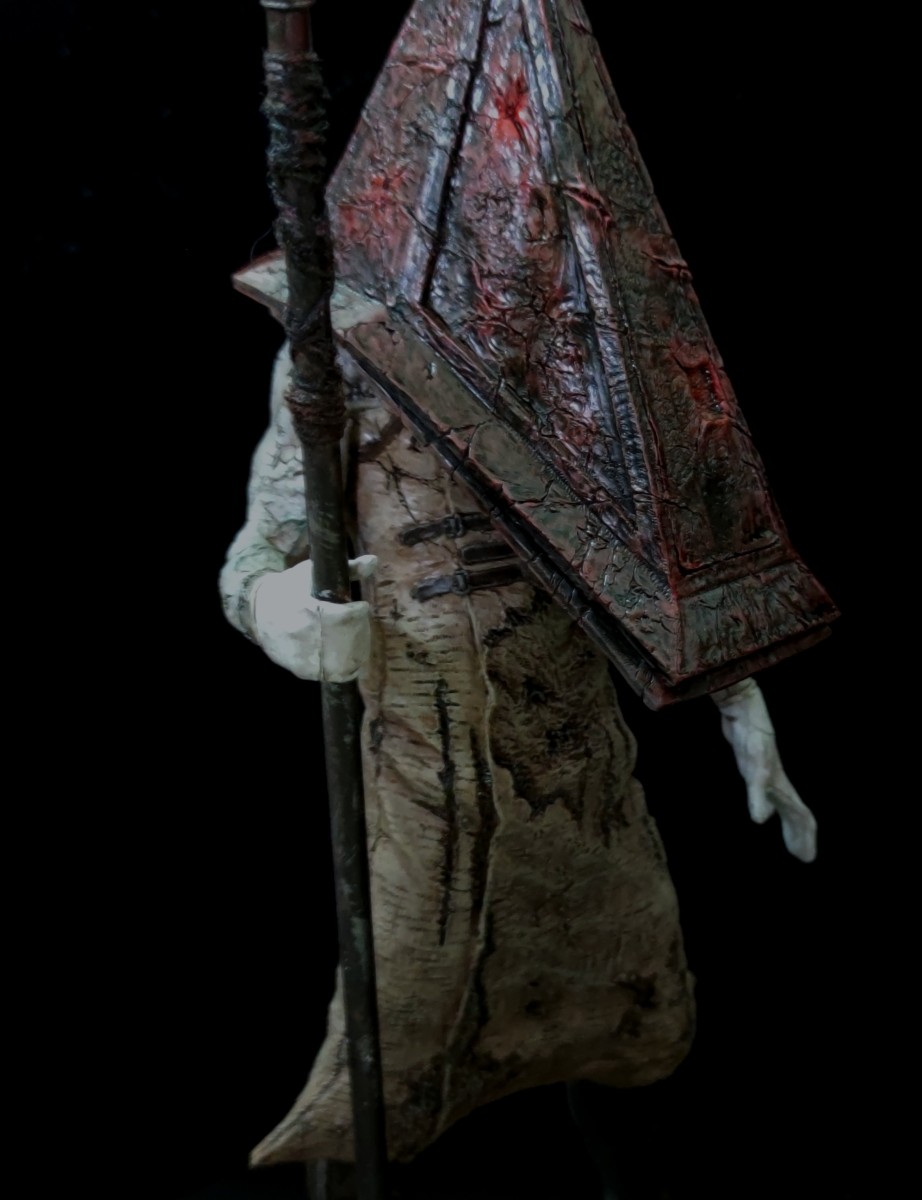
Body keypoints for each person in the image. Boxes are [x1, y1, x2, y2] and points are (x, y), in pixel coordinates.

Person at [219, 340, 817, 1184]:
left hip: (581, 771)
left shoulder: (576, 341)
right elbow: (259, 545)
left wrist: (734, 689)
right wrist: (270, 604)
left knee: (635, 1015)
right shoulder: (338, 348)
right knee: (394, 1049)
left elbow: (648, 543)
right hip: (428, 778)